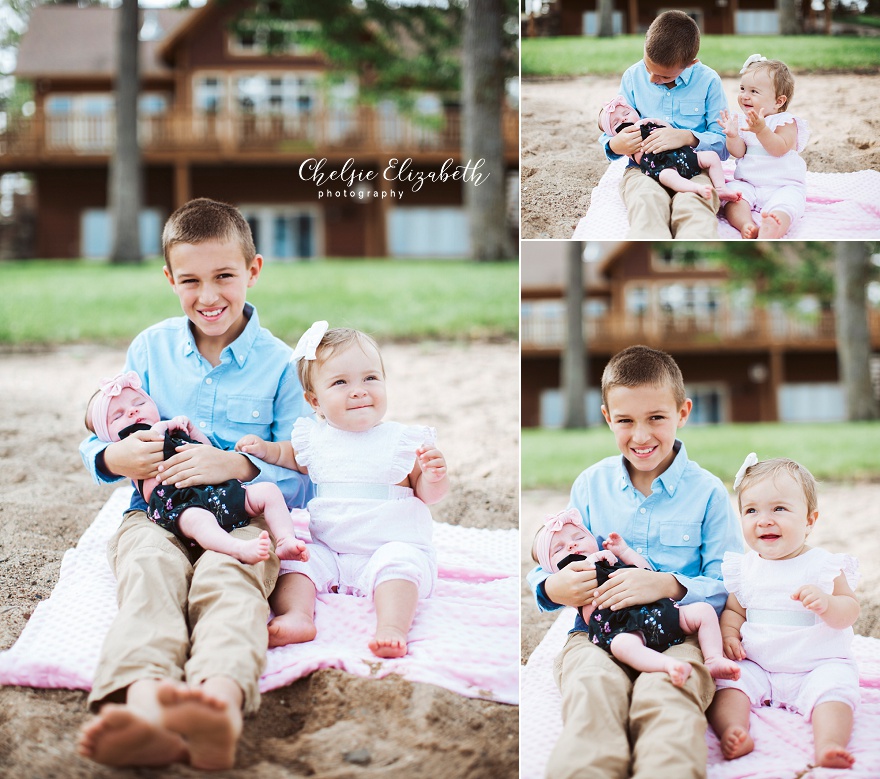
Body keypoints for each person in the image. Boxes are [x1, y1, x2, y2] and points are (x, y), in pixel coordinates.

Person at [76, 198, 312, 771]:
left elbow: (305, 474)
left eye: (225, 276)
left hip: (242, 520)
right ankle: (145, 707)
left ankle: (217, 706)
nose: (209, 296)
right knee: (148, 578)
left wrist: (237, 466)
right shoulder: (150, 350)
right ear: (170, 280)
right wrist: (117, 455)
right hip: (152, 513)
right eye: (191, 281)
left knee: (230, 588)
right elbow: (102, 433)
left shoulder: (283, 366)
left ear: (253, 271)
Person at [526, 345, 742, 778]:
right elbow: (550, 559)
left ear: (683, 412)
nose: (640, 436)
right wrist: (555, 588)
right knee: (591, 691)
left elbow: (728, 580)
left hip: (677, 632)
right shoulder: (591, 485)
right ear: (607, 417)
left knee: (669, 699)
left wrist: (667, 585)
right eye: (625, 421)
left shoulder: (708, 493)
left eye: (656, 418)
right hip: (596, 634)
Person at [236, 321, 449, 658]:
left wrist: (434, 476)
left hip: (390, 546)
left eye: (370, 378)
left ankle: (392, 628)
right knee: (295, 565)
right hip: (331, 552)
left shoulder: (401, 441)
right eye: (340, 382)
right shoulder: (315, 439)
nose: (359, 390)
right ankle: (298, 616)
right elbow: (288, 455)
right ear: (314, 401)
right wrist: (264, 449)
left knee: (400, 567)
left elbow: (427, 495)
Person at [707, 455, 860, 770]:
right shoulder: (745, 568)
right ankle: (734, 730)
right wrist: (729, 634)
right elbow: (735, 610)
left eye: (778, 508)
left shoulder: (822, 566)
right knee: (728, 686)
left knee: (835, 690)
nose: (763, 520)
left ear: (809, 520)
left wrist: (829, 605)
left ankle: (829, 743)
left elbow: (850, 610)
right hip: (759, 664)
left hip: (816, 664)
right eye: (751, 510)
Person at [86, 370, 309, 566]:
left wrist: (194, 433)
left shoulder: (176, 432)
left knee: (268, 491)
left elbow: (208, 451)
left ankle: (285, 539)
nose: (132, 412)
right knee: (199, 520)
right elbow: (153, 437)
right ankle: (234, 547)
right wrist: (164, 424)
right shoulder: (130, 443)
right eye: (118, 415)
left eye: (139, 403)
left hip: (218, 491)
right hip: (179, 504)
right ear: (108, 436)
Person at [533, 508, 740, 687]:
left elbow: (645, 571)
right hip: (622, 627)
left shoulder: (612, 558)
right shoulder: (572, 576)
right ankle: (666, 666)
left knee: (704, 612)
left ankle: (713, 658)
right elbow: (581, 571)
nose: (571, 545)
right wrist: (589, 562)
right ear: (551, 569)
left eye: (578, 537)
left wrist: (625, 551)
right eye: (558, 549)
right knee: (623, 646)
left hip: (661, 612)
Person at [600, 10, 729, 239]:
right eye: (649, 68)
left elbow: (724, 142)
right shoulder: (632, 77)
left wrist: (688, 137)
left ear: (690, 64)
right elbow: (613, 123)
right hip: (644, 170)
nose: (652, 78)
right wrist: (616, 144)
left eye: (663, 76)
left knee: (696, 204)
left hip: (694, 167)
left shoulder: (709, 81)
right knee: (646, 200)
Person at [719, 55, 810, 239]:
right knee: (733, 198)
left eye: (754, 91)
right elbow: (739, 152)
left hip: (783, 184)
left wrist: (761, 130)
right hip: (749, 183)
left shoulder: (785, 121)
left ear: (778, 101)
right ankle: (746, 224)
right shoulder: (744, 119)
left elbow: (779, 148)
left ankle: (774, 226)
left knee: (788, 204)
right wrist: (732, 136)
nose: (745, 95)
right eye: (742, 88)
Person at [600, 96, 741, 203]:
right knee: (668, 177)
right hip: (661, 164)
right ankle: (694, 188)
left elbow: (670, 131)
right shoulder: (627, 139)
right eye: (616, 123)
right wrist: (618, 143)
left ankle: (721, 188)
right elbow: (629, 152)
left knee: (711, 157)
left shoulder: (650, 122)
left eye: (626, 114)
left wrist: (661, 124)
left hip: (683, 154)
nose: (623, 120)